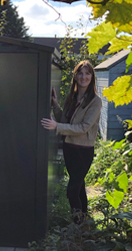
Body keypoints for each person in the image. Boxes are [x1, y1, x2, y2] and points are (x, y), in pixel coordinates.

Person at [41, 60, 102, 223]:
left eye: (87, 73)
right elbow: (66, 121)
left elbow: (83, 127)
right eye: (80, 73)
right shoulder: (72, 97)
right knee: (80, 187)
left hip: (83, 151)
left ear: (92, 77)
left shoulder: (95, 101)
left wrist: (57, 126)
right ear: (75, 76)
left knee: (72, 190)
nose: (84, 77)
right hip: (70, 149)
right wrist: (55, 106)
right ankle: (85, 222)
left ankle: (76, 225)